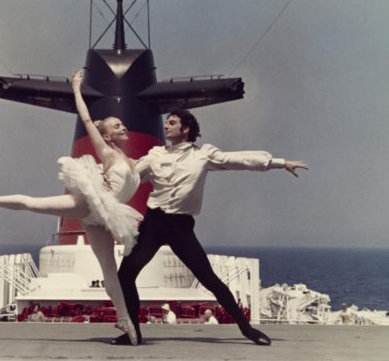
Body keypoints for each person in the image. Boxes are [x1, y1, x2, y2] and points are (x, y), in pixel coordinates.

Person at [0, 70, 141, 345]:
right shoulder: (106, 152)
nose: (123, 127)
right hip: (92, 203)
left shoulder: (132, 161)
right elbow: (87, 119)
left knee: (109, 271)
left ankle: (126, 322)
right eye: (116, 126)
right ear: (107, 135)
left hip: (106, 218)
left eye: (123, 124)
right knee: (34, 203)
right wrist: (76, 89)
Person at [113, 108, 309, 346]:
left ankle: (247, 329)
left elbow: (239, 159)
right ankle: (132, 333)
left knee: (209, 278)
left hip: (180, 226)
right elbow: (131, 175)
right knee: (125, 275)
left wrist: (280, 163)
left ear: (185, 129)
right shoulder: (154, 155)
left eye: (172, 122)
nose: (166, 126)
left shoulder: (203, 155)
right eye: (166, 122)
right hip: (154, 222)